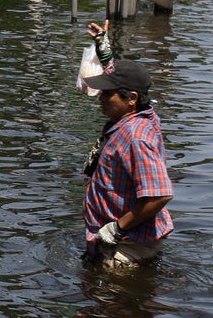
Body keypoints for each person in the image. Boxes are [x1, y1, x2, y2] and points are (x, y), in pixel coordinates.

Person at [79, 24, 174, 269]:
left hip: (125, 244)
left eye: (106, 94)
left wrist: (117, 228)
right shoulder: (136, 115)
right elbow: (117, 75)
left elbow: (160, 194)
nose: (100, 98)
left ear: (130, 99)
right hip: (117, 238)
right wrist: (103, 48)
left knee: (112, 302)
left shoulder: (136, 137)